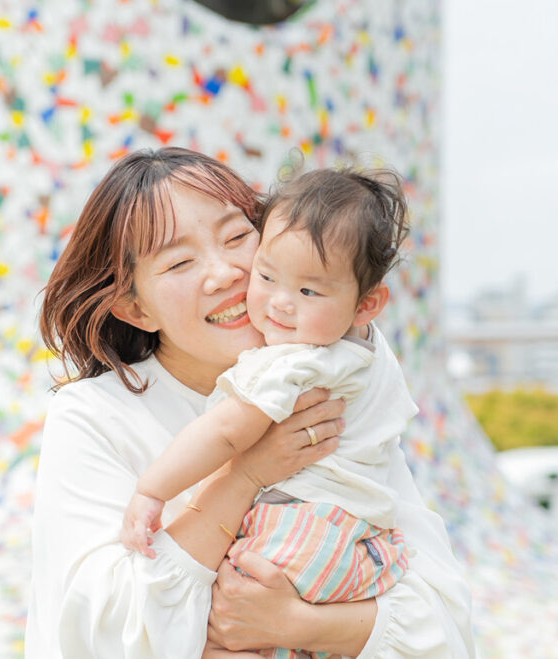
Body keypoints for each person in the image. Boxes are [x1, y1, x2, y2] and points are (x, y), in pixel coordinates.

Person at [27, 147, 474, 658]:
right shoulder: (93, 416)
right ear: (135, 308)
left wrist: (300, 624)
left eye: (237, 237)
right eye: (180, 262)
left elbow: (446, 622)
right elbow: (100, 631)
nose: (226, 273)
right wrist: (245, 474)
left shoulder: (334, 381)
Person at [120, 167, 422, 659]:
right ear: (135, 308)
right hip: (368, 549)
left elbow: (225, 431)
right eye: (267, 276)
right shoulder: (366, 351)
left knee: (215, 625)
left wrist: (151, 490)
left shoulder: (294, 362)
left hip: (302, 537)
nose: (280, 304)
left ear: (367, 304)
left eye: (309, 291)